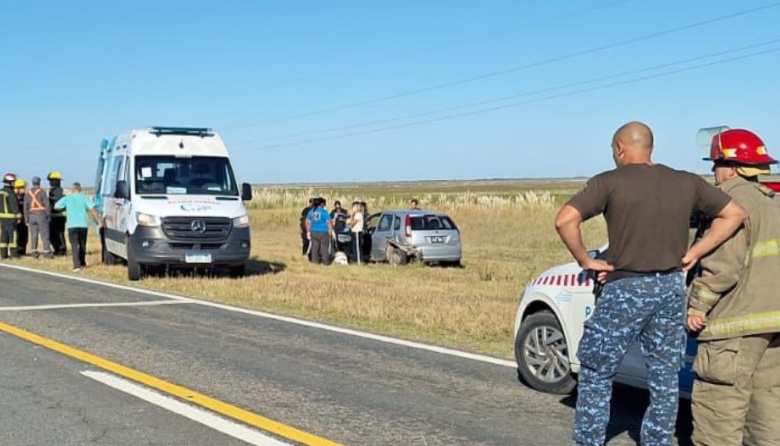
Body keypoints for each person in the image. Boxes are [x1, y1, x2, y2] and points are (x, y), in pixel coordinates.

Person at [554, 121, 747, 446]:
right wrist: (694, 252)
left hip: (625, 289)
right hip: (670, 289)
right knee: (664, 377)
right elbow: (735, 213)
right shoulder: (686, 181)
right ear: (652, 148)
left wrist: (586, 261)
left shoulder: (609, 182)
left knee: (597, 371)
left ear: (619, 148)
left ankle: (589, 441)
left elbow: (564, 220)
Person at [686, 128, 780, 446]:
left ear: (733, 166)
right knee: (766, 417)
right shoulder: (774, 202)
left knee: (718, 416)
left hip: (733, 328)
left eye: (716, 164)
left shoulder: (729, 205)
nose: (714, 173)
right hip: (773, 326)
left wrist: (697, 305)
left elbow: (722, 267)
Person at [53, 182, 102, 272]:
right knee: (82, 244)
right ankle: (83, 262)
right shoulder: (85, 198)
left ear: (73, 189)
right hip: (83, 224)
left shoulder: (67, 198)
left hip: (72, 225)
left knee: (74, 245)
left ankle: (76, 265)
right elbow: (93, 209)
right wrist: (99, 221)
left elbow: (56, 206)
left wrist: (65, 208)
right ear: (80, 189)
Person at [24, 176, 52, 259]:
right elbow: (47, 205)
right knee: (45, 235)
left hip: (31, 215)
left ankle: (34, 253)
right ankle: (47, 253)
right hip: (41, 215)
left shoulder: (28, 193)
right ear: (39, 183)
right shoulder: (42, 192)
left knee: (33, 235)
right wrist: (48, 215)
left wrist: (26, 219)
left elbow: (25, 207)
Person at [0, 173, 22, 260]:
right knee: (13, 236)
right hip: (10, 217)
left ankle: (3, 254)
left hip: (2, 218)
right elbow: (14, 205)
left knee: (3, 236)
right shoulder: (10, 192)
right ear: (11, 182)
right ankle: (14, 254)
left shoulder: (1, 191)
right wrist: (18, 216)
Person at [305, 197, 333, 265]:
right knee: (324, 247)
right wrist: (330, 230)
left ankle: (314, 261)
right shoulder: (324, 212)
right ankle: (325, 261)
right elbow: (329, 222)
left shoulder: (311, 212)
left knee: (314, 247)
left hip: (313, 231)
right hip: (323, 231)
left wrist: (308, 231)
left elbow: (308, 222)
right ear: (321, 204)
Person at [48, 171, 67, 256]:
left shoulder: (58, 191)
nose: (50, 182)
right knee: (56, 234)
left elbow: (58, 204)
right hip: (56, 216)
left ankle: (60, 250)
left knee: (58, 234)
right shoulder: (54, 190)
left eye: (51, 180)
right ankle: (59, 249)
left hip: (58, 216)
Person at [13, 178, 28, 256]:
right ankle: (17, 250)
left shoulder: (26, 197)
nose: (24, 189)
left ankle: (23, 250)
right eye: (22, 187)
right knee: (17, 236)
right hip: (16, 221)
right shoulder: (14, 198)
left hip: (24, 220)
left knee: (24, 236)